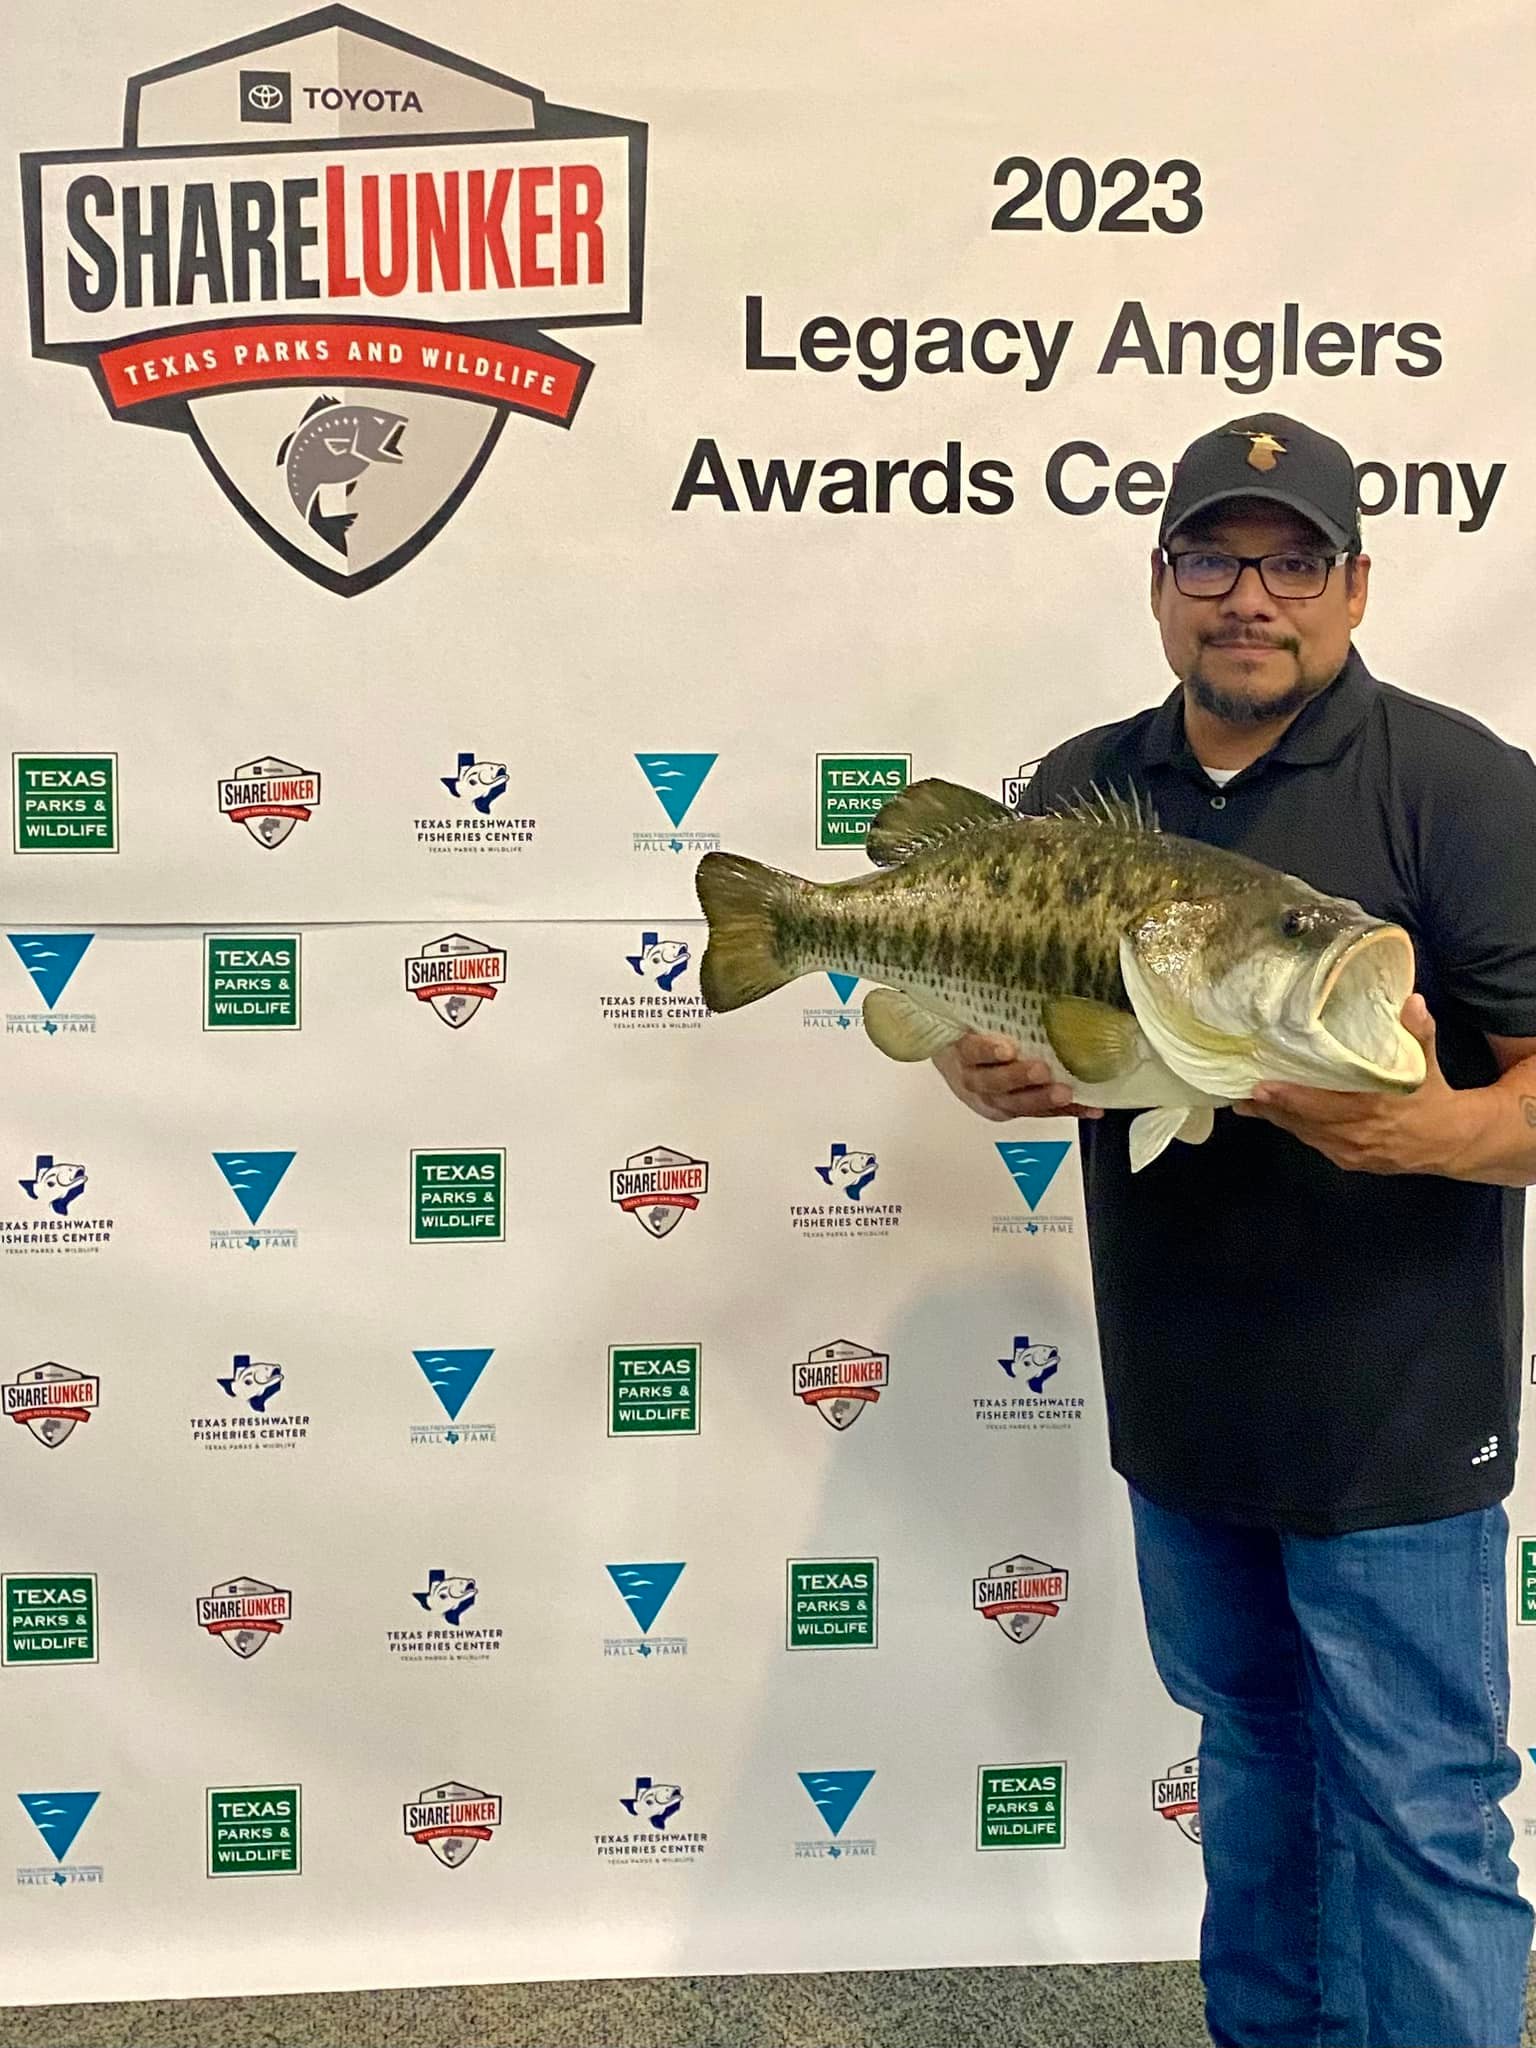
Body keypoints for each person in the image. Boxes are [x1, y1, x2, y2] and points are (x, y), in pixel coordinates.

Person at [935, 412, 1536, 2048]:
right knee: (1256, 1767)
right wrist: (992, 1069)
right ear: (1160, 583)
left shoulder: (1462, 789)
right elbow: (1010, 1040)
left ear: (1354, 586)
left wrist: (1429, 1135)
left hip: (1397, 1417)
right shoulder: (1079, 793)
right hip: (1185, 1407)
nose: (1248, 596)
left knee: (1420, 1803)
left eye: (1290, 562)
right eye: (1213, 555)